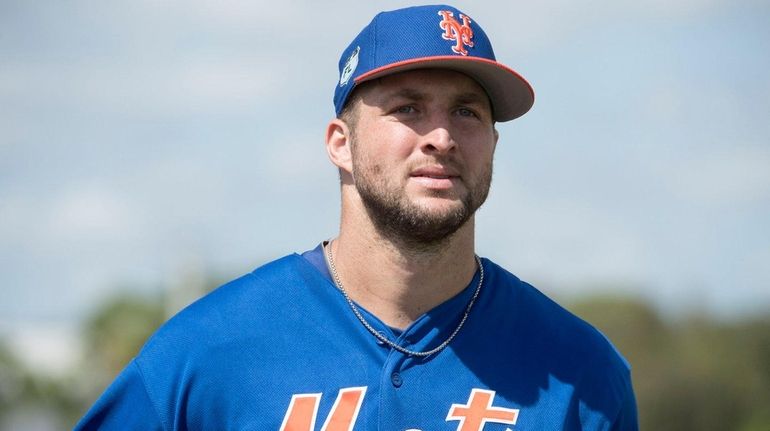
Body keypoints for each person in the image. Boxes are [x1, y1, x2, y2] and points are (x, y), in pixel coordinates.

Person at [75, 4, 638, 430]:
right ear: (340, 143)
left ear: (492, 143)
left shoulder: (579, 372)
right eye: (408, 108)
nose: (441, 137)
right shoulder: (205, 354)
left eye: (466, 112)